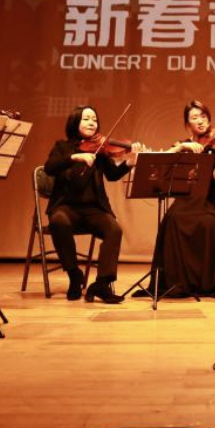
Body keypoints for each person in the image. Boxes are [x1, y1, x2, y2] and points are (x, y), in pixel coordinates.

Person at [135, 101, 215, 298]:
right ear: (187, 125)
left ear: (209, 120)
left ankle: (208, 282)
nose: (200, 121)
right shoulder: (181, 145)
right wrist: (182, 147)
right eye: (194, 118)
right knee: (173, 220)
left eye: (203, 117)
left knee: (210, 222)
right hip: (184, 201)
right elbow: (158, 161)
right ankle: (178, 281)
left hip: (208, 202)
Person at [44, 105, 142, 303]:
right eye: (86, 119)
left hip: (94, 209)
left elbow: (112, 175)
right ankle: (74, 275)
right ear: (75, 122)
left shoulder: (101, 148)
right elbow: (50, 168)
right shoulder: (62, 147)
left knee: (115, 230)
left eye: (94, 119)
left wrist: (129, 163)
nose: (92, 123)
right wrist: (75, 157)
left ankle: (102, 284)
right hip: (67, 207)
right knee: (58, 222)